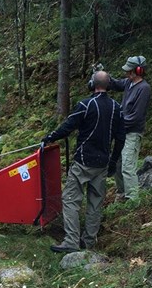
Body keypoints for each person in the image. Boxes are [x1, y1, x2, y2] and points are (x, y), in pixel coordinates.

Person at [42, 71, 125, 253]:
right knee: (95, 203)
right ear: (109, 86)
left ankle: (71, 240)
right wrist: (113, 161)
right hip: (103, 162)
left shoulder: (86, 105)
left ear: (92, 85)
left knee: (70, 199)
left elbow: (68, 126)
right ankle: (88, 242)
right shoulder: (117, 107)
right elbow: (120, 138)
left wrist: (49, 138)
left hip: (83, 161)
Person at [108, 55, 151, 201]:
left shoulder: (144, 88)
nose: (126, 73)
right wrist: (102, 74)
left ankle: (132, 200)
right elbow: (114, 84)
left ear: (138, 71)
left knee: (127, 166)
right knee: (117, 164)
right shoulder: (128, 83)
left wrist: (117, 125)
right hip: (122, 132)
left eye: (129, 71)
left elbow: (136, 117)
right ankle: (122, 194)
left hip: (132, 133)